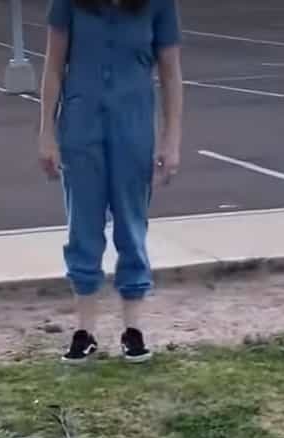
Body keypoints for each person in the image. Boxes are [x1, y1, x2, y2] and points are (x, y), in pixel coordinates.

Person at [39, 0, 183, 364]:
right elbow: (54, 67)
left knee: (131, 225)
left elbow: (170, 73)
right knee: (83, 227)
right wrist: (46, 132)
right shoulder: (69, 3)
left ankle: (132, 330)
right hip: (80, 124)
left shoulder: (157, 5)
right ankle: (84, 331)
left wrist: (171, 139)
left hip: (132, 126)